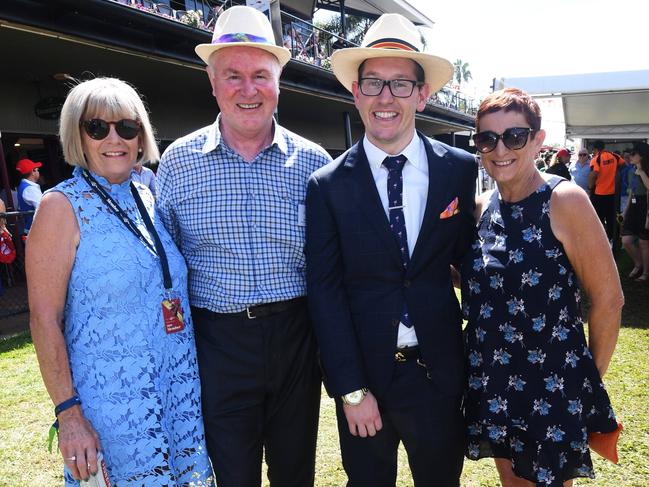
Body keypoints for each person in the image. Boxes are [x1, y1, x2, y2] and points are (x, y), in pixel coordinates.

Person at [157, 7, 331, 487]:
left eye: (260, 75)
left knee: (296, 473)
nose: (247, 89)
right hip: (218, 344)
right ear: (212, 83)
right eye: (232, 75)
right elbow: (164, 265)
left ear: (279, 82)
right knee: (233, 475)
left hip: (297, 339)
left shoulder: (313, 163)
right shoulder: (178, 163)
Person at [306, 14, 477, 486]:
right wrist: (351, 389)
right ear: (355, 92)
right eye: (374, 83)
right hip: (367, 379)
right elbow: (325, 292)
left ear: (423, 94)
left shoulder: (458, 170)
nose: (386, 97)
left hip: (439, 377)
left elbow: (470, 261)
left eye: (401, 84)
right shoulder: (326, 186)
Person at [26, 77, 214, 486]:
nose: (115, 138)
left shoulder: (146, 196)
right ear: (78, 134)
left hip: (176, 393)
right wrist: (69, 414)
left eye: (127, 127)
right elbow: (43, 319)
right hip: (113, 410)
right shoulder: (60, 207)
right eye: (98, 127)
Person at [463, 87, 622, 486]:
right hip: (497, 381)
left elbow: (608, 299)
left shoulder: (564, 200)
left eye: (514, 136)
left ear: (537, 140)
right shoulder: (482, 208)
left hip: (552, 386)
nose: (501, 148)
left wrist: (585, 382)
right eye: (488, 138)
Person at [621, 142, 649, 282]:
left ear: (642, 156)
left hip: (646, 206)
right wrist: (625, 212)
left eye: (633, 154)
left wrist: (642, 172)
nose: (629, 156)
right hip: (634, 205)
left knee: (644, 242)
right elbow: (631, 191)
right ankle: (638, 264)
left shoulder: (643, 170)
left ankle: (646, 271)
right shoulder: (631, 170)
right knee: (626, 240)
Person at [589, 140, 624, 241]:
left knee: (598, 219)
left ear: (595, 149)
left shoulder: (596, 159)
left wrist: (590, 186)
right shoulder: (614, 156)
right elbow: (623, 163)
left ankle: (599, 239)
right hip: (612, 194)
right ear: (604, 147)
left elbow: (594, 174)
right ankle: (612, 239)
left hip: (599, 194)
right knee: (611, 219)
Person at [15, 158, 43, 234]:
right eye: (37, 170)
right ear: (32, 172)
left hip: (33, 230)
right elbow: (43, 209)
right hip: (37, 230)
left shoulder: (24, 186)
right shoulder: (30, 189)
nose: (38, 172)